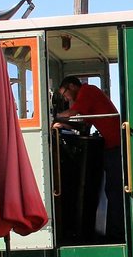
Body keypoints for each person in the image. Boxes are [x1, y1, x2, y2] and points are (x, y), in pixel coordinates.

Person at [53, 75, 124, 241]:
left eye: (64, 93)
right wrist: (62, 124)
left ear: (71, 86)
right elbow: (83, 123)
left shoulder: (87, 90)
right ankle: (115, 231)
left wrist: (55, 118)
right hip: (111, 145)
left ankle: (117, 234)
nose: (65, 98)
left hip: (115, 145)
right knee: (111, 190)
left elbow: (72, 113)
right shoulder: (89, 95)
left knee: (114, 191)